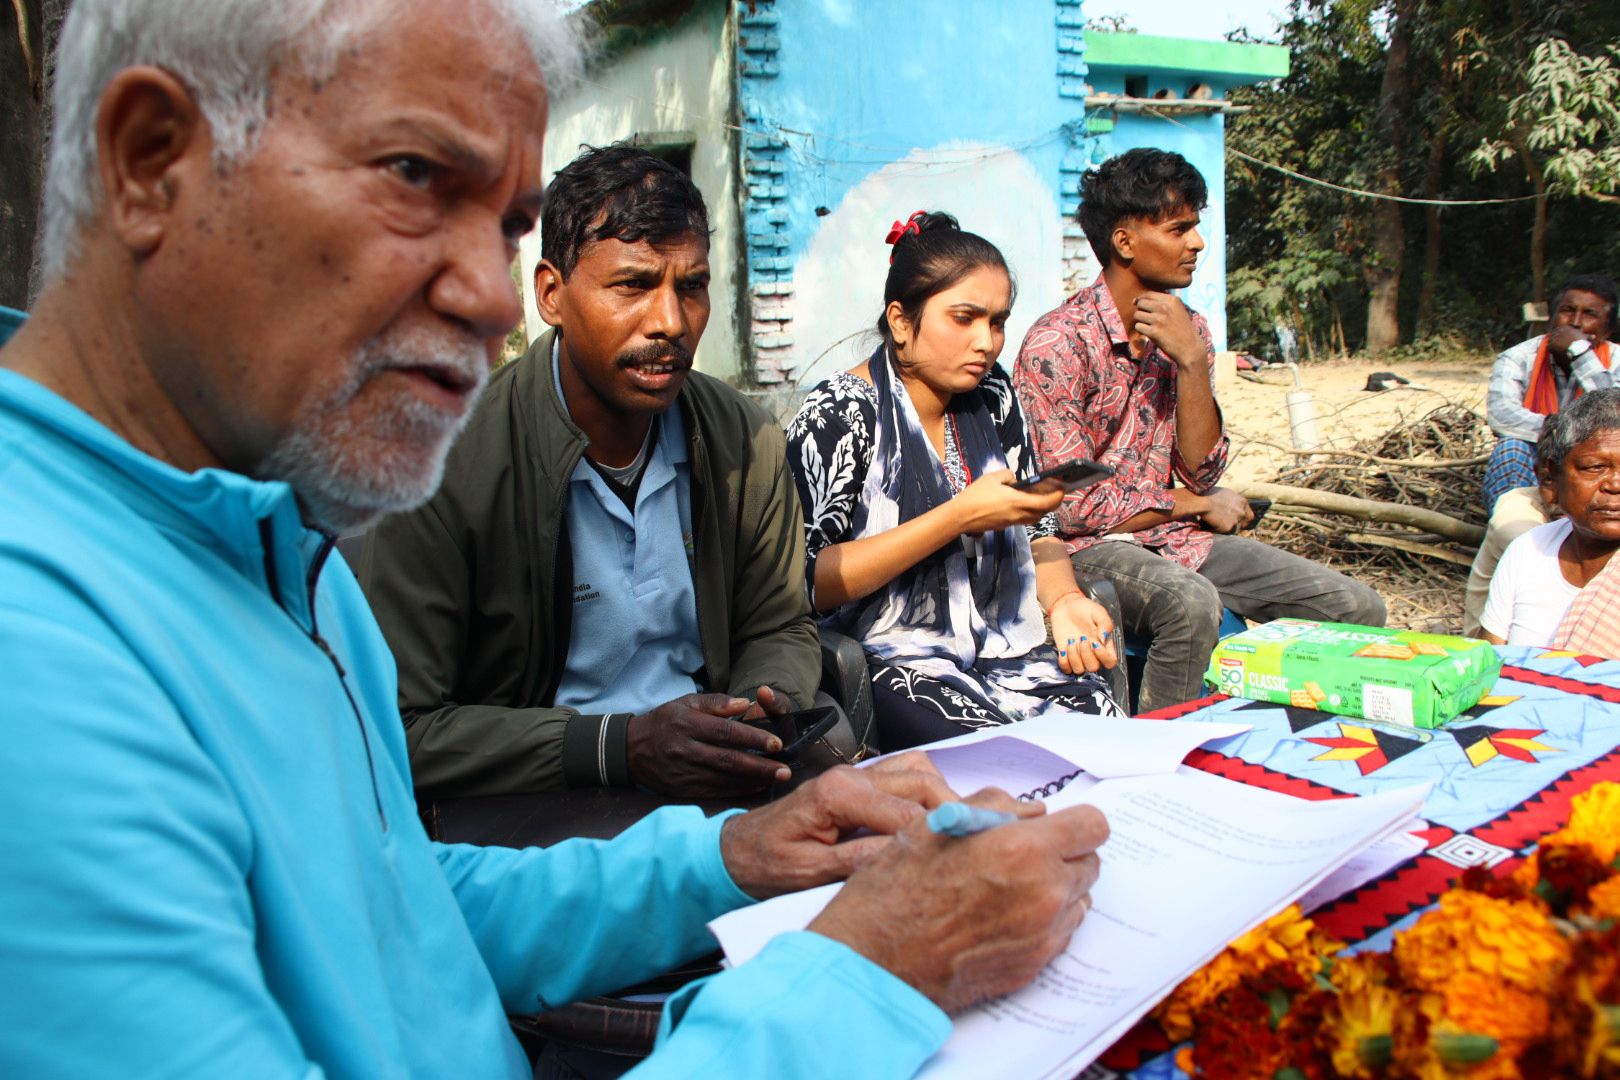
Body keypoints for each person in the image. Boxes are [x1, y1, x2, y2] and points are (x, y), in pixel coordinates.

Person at [0, 2, 1110, 1075]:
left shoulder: (276, 537)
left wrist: (725, 859)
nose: (488, 302)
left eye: (498, 225)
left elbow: (397, 911)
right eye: (413, 180)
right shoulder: (39, 654)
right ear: (152, 162)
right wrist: (874, 969)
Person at [360, 143, 822, 801]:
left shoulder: (744, 441)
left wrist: (752, 715)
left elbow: (779, 626)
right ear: (551, 294)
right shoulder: (441, 461)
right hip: (540, 797)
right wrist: (615, 748)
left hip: (714, 774)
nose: (670, 322)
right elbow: (397, 729)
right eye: (633, 285)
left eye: (691, 287)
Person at [1012, 148, 1385, 714]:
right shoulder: (1057, 344)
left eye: (1195, 226)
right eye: (1179, 228)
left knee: (1356, 607)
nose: (1198, 243)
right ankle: (1161, 754)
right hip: (1084, 550)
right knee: (1190, 603)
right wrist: (1196, 504)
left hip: (1178, 540)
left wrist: (1189, 360)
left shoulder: (1192, 332)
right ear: (1125, 242)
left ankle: (1297, 746)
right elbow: (1071, 509)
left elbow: (1202, 469)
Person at [786, 212, 1122, 750]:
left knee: (1104, 732)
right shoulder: (839, 414)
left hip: (1003, 642)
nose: (986, 342)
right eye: (964, 318)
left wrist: (1063, 599)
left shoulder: (992, 395)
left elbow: (1039, 529)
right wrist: (959, 515)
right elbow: (807, 580)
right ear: (901, 322)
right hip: (891, 656)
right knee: (1004, 758)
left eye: (997, 322)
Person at [1479, 388, 1620, 652]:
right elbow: (1487, 662)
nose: (1615, 485)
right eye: (1595, 468)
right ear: (1550, 479)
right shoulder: (1528, 551)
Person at [1482, 274, 1616, 513]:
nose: (1575, 323)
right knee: (1511, 447)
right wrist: (1561, 432)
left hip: (1596, 461)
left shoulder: (1617, 360)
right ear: (1551, 318)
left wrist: (1581, 355)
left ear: (1607, 330)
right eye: (1567, 311)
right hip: (1538, 458)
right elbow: (1502, 416)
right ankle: (1520, 524)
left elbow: (1615, 415)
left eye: (1589, 314)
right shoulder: (1518, 357)